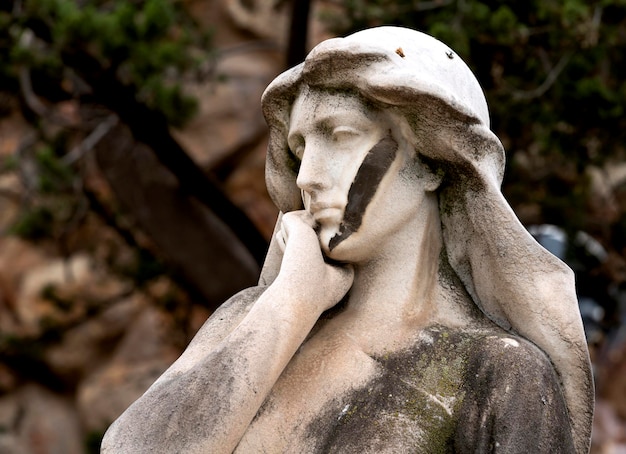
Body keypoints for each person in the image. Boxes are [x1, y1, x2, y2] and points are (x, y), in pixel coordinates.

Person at [101, 27, 593, 453]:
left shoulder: (497, 375)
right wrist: (291, 303)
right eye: (299, 148)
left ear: (432, 163)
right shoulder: (249, 321)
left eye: (337, 135)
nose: (307, 177)